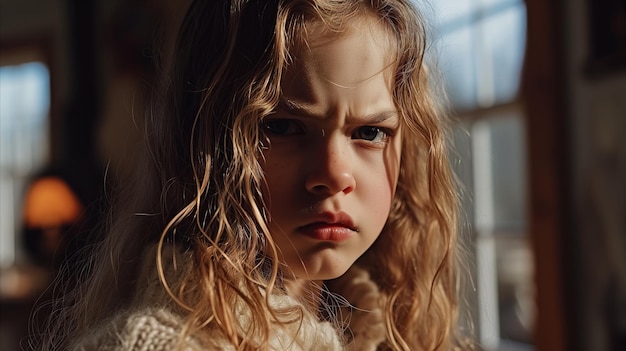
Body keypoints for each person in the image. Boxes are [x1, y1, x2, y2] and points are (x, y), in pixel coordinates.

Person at [40, 0, 469, 350]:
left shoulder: (380, 328)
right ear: (200, 143)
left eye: (370, 132)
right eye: (281, 126)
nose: (334, 174)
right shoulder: (154, 344)